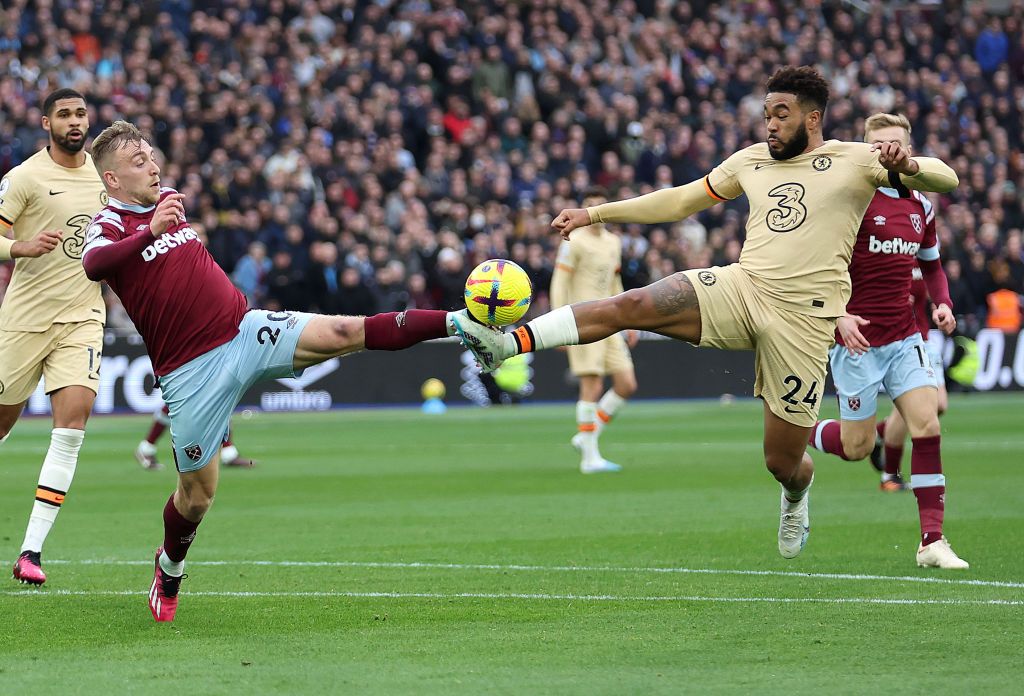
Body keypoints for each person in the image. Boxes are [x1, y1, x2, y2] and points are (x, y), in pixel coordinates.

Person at [451, 66, 959, 561]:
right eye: (766, 115)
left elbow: (948, 178)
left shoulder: (856, 160)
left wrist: (909, 165)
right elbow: (678, 202)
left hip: (804, 324)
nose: (770, 124)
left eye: (781, 114)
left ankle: (797, 496)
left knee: (783, 463)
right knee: (633, 304)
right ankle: (508, 342)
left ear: (812, 118)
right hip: (742, 287)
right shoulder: (751, 161)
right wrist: (596, 213)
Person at [81, 121, 475, 621]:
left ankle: (459, 322)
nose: (154, 166)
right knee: (197, 499)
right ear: (112, 180)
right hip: (190, 373)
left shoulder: (170, 200)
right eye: (139, 162)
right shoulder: (110, 225)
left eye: (152, 155)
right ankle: (170, 565)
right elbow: (95, 265)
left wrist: (158, 224)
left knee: (341, 333)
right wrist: (149, 233)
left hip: (244, 331)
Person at [804, 113, 967, 569]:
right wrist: (840, 317)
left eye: (895, 143)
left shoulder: (922, 204)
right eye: (877, 144)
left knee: (928, 423)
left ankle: (932, 541)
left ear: (910, 149)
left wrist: (943, 303)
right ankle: (798, 432)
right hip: (856, 341)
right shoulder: (850, 200)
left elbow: (932, 265)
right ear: (865, 149)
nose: (887, 151)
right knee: (857, 448)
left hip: (904, 335)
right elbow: (816, 266)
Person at [0, 89, 108, 585]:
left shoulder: (105, 177)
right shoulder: (23, 178)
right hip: (23, 320)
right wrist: (18, 246)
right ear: (46, 123)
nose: (74, 121)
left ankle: (31, 552)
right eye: (64, 114)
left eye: (80, 113)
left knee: (72, 425)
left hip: (82, 317)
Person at [549, 187, 638, 474]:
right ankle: (589, 458)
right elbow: (559, 282)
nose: (596, 211)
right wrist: (557, 321)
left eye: (601, 205)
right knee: (592, 385)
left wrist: (630, 319)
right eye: (591, 205)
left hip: (611, 320)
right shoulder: (573, 241)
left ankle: (586, 436)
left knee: (626, 384)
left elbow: (614, 283)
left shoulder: (613, 242)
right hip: (582, 321)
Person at [870, 265, 950, 490]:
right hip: (901, 342)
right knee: (912, 408)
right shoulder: (890, 253)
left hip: (923, 339)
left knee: (939, 404)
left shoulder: (922, 250)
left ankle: (880, 432)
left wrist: (941, 307)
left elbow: (935, 284)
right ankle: (890, 476)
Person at [135, 403, 255, 470]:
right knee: (178, 399)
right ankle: (146, 447)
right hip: (181, 361)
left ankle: (228, 452)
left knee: (220, 395)